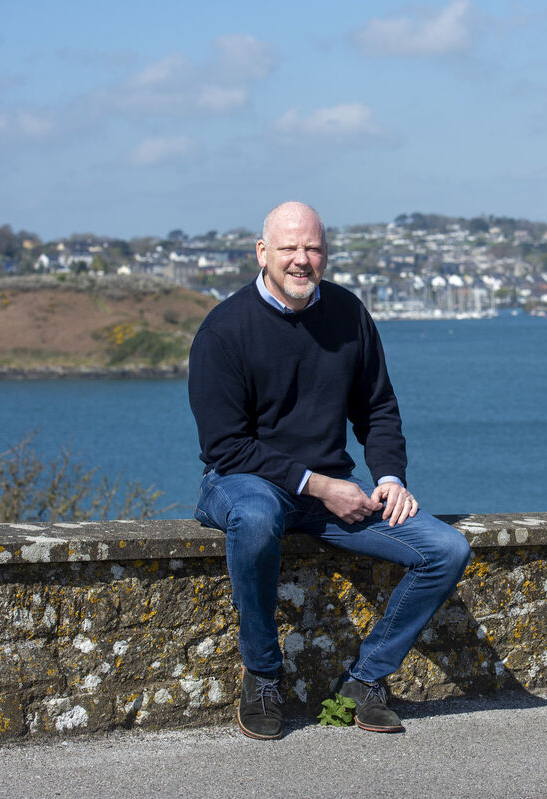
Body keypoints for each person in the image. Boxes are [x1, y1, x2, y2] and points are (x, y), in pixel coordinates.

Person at [188, 200, 471, 740]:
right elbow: (226, 446)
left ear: (326, 253)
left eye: (312, 247)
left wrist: (389, 478)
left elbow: (377, 409)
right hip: (241, 482)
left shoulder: (348, 313)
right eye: (289, 247)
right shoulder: (223, 330)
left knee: (447, 550)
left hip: (327, 494)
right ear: (262, 252)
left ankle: (365, 682)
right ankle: (263, 676)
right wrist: (319, 486)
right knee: (254, 517)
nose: (301, 259)